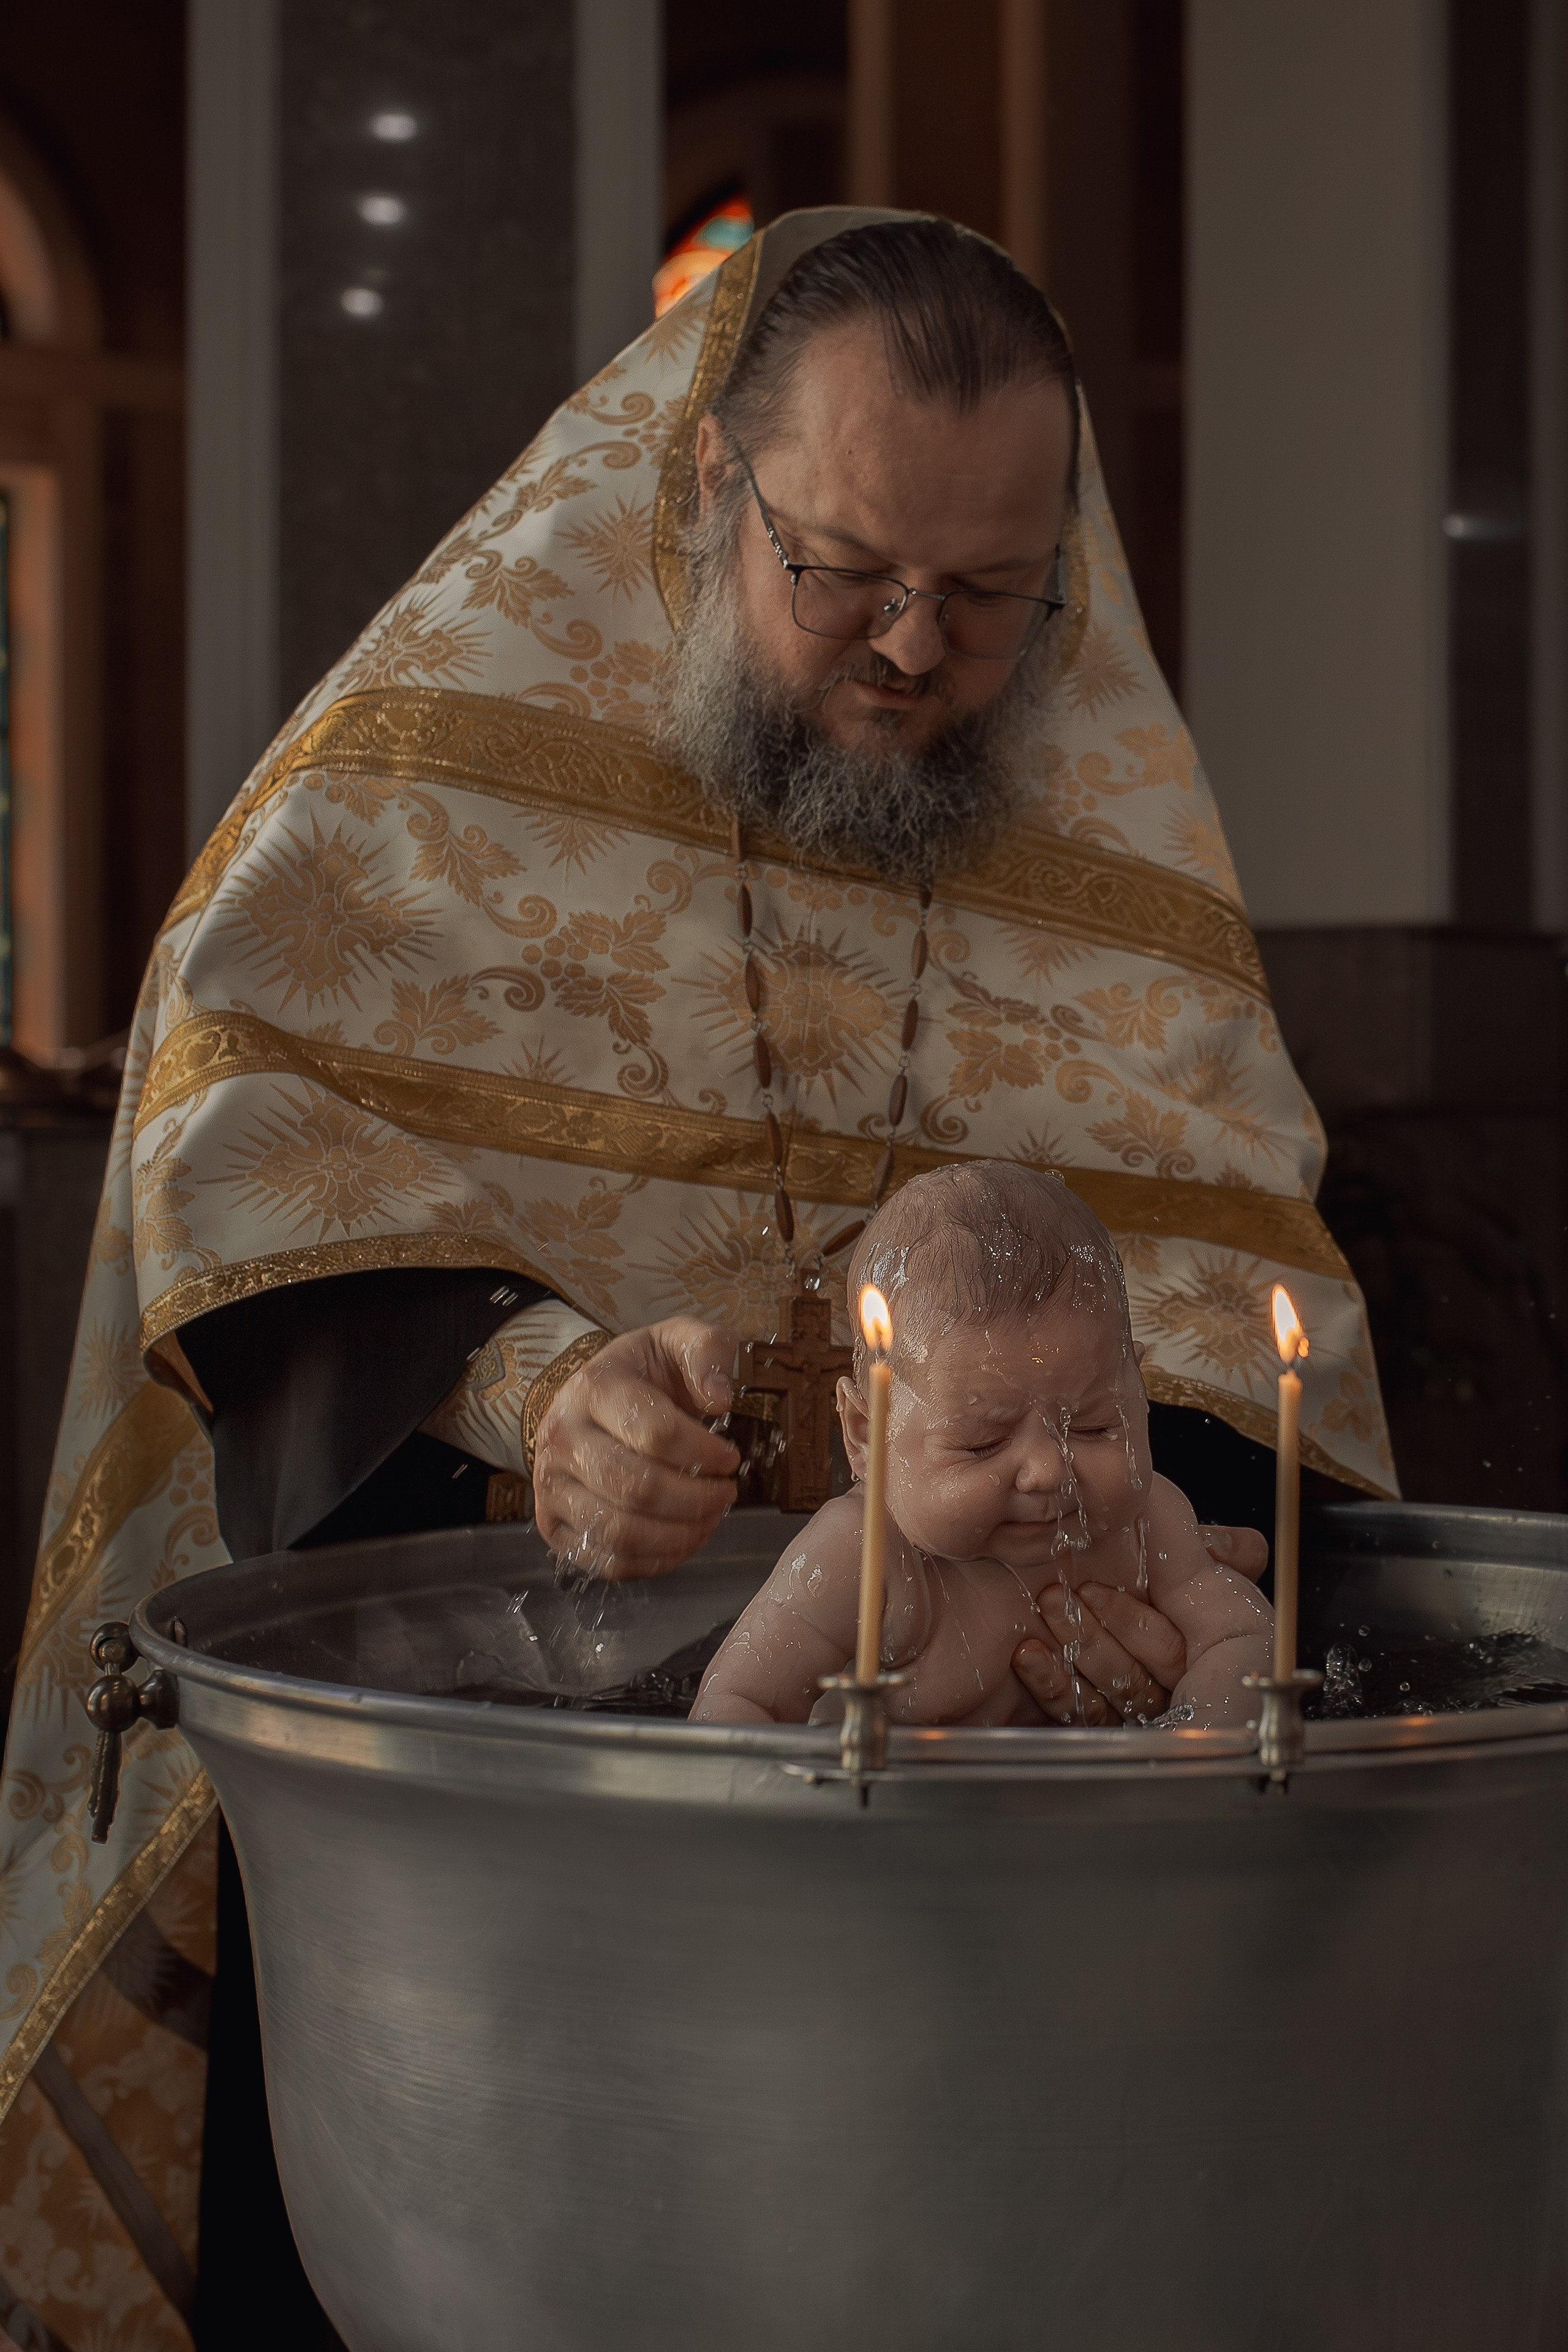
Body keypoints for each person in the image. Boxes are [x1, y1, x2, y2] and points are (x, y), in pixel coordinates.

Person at [0, 208, 1394, 2347]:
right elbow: (242, 1117)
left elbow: (1230, 1316)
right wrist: (534, 1393)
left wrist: (1132, 1539)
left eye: (991, 594)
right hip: (500, 1808)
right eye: (842, 570)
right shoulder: (413, 788)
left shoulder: (1120, 885)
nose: (917, 651)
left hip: (969, 1862)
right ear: (698, 491)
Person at [694, 1164, 1273, 1729]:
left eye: (1094, 1427)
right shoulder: (864, 1555)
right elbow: (739, 1705)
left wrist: (1195, 1741)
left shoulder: (1149, 1523)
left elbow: (1247, 1640)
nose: (1049, 1471)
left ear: (1138, 1391)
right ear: (867, 1435)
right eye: (982, 1444)